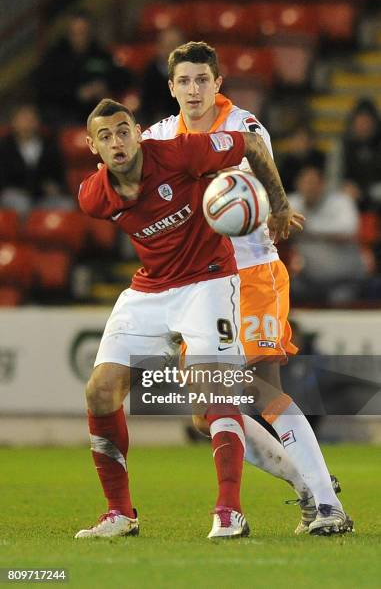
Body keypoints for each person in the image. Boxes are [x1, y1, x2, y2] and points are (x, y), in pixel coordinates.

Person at [143, 41, 352, 536]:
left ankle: (327, 505)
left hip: (252, 270)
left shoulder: (244, 127)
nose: (194, 89)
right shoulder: (160, 135)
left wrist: (277, 207)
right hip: (200, 283)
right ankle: (308, 487)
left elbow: (257, 176)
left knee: (262, 388)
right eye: (184, 81)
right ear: (171, 88)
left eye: (202, 79)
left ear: (218, 84)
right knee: (205, 412)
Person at [75, 98, 299, 539]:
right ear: (92, 147)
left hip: (209, 280)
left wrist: (278, 205)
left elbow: (252, 143)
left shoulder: (181, 152)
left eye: (123, 131)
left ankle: (229, 510)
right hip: (151, 289)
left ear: (139, 133)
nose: (117, 142)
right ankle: (120, 513)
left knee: (213, 390)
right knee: (100, 391)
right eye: (105, 136)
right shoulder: (93, 197)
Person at [35, 10, 134, 124]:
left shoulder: (100, 54)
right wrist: (77, 93)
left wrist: (103, 85)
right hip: (65, 114)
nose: (79, 38)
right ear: (68, 33)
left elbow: (123, 77)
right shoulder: (55, 57)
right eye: (75, 33)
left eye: (83, 32)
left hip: (97, 113)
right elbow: (45, 88)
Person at [288, 165, 368, 306]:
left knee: (341, 300)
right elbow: (275, 228)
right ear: (298, 184)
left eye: (313, 183)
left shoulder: (341, 202)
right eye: (305, 183)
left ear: (323, 184)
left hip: (344, 280)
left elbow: (348, 230)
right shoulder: (292, 203)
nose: (309, 187)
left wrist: (308, 227)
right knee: (285, 292)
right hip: (306, 279)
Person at [0, 103, 72, 214]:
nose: (28, 122)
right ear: (14, 122)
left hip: (43, 196)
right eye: (24, 118)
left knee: (66, 204)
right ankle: (25, 231)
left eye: (32, 118)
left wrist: (56, 187)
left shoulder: (49, 145)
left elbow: (58, 175)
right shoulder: (5, 147)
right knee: (21, 203)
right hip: (16, 194)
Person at [139, 26, 185, 126]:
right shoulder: (149, 73)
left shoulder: (195, 72)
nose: (171, 50)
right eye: (167, 45)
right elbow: (145, 107)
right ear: (159, 47)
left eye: (175, 45)